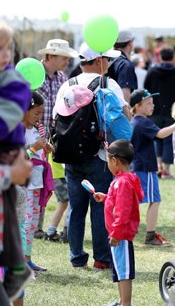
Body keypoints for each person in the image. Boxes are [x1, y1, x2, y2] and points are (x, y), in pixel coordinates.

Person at [53, 42, 124, 269]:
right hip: (100, 155)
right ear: (98, 60)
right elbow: (121, 117)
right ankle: (102, 259)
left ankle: (76, 257)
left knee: (76, 207)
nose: (110, 64)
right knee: (100, 206)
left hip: (71, 156)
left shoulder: (67, 84)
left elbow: (57, 117)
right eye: (108, 60)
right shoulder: (108, 84)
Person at [0, 19, 33, 306]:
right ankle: (15, 265)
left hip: (5, 148)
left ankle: (16, 265)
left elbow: (9, 111)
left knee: (7, 210)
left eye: (8, 49)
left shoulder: (10, 80)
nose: (6, 55)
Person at [129, 89, 175, 246]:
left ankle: (128, 229)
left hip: (137, 166)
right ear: (137, 106)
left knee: (133, 201)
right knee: (154, 200)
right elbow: (161, 134)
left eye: (152, 102)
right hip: (145, 168)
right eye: (148, 103)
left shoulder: (135, 121)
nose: (152, 106)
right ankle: (150, 236)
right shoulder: (142, 122)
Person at [94, 140, 144, 306]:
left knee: (123, 271)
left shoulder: (122, 182)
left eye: (107, 160)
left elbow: (123, 211)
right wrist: (106, 197)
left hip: (120, 235)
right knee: (118, 268)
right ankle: (121, 301)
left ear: (115, 160)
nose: (107, 164)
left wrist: (116, 233)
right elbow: (118, 202)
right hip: (116, 234)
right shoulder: (121, 180)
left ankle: (127, 305)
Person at [35, 39, 77, 240]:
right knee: (34, 182)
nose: (67, 62)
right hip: (33, 136)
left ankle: (39, 226)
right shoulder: (34, 75)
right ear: (50, 56)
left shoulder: (63, 78)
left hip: (54, 138)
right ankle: (35, 225)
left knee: (46, 181)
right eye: (63, 57)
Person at [144, 45, 175, 179]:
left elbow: (146, 91)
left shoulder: (152, 72)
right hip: (173, 111)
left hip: (154, 110)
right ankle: (166, 170)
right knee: (169, 139)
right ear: (173, 57)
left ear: (160, 57)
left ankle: (158, 166)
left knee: (157, 138)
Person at [23, 92, 52, 272]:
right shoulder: (17, 130)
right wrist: (35, 148)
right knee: (24, 223)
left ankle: (27, 259)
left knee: (32, 223)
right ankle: (20, 262)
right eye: (36, 113)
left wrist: (46, 149)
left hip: (36, 182)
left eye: (41, 113)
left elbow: (41, 152)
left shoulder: (37, 129)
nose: (39, 117)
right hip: (22, 184)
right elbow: (18, 155)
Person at [107, 29, 137, 105]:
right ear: (130, 42)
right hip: (116, 113)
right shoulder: (125, 65)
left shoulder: (106, 60)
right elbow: (125, 96)